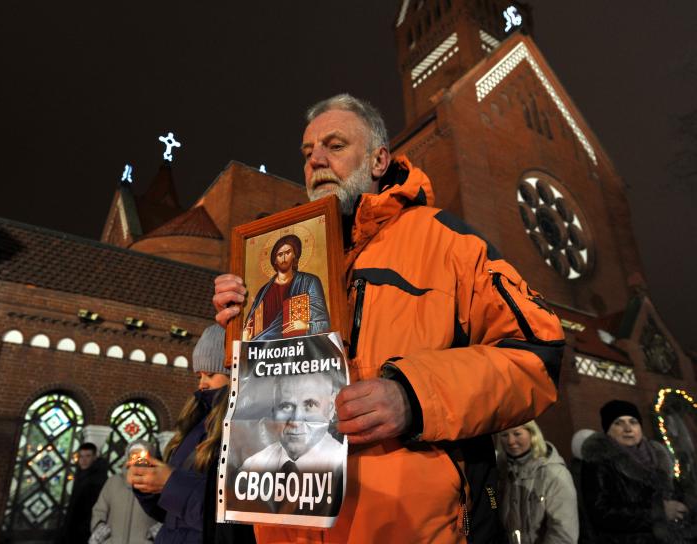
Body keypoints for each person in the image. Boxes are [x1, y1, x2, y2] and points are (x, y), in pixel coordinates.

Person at [213, 94, 564, 542]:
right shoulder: (295, 256)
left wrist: (414, 397)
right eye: (307, 152)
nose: (316, 160)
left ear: (379, 160)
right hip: (289, 523)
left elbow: (538, 358)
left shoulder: (450, 243)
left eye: (334, 146)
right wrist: (241, 328)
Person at [128, 325, 255, 544]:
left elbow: (237, 513)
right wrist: (149, 487)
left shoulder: (247, 428)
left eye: (211, 374)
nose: (201, 383)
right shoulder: (195, 422)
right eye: (199, 375)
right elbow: (171, 516)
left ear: (234, 373)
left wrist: (171, 483)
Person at [581, 399, 694, 543]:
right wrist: (658, 512)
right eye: (618, 423)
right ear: (608, 430)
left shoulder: (659, 458)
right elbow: (601, 514)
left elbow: (677, 495)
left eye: (633, 422)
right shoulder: (598, 460)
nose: (628, 428)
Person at [240, 372, 345, 473]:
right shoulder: (251, 467)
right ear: (273, 411)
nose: (295, 422)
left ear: (331, 408)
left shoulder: (345, 464)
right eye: (286, 406)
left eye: (310, 405)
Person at [496, 420, 578, 543]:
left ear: (532, 434)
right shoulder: (502, 475)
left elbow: (563, 531)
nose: (510, 441)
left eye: (517, 434)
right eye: (504, 435)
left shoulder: (554, 473)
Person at [243, 234, 330, 340]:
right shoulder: (263, 292)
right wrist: (245, 336)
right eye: (280, 255)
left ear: (294, 255)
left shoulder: (309, 282)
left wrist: (307, 326)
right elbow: (249, 328)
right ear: (274, 260)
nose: (284, 258)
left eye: (288, 253)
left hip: (296, 348)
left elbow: (325, 325)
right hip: (264, 350)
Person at [89, 441, 160, 544]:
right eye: (133, 455)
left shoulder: (158, 485)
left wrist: (157, 533)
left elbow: (168, 514)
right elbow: (99, 510)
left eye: (141, 455)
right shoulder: (113, 482)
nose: (137, 459)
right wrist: (100, 530)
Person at [57, 443, 109, 544]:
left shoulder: (97, 479)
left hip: (83, 531)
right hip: (75, 528)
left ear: (94, 457)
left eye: (88, 456)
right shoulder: (83, 474)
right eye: (81, 456)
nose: (83, 460)